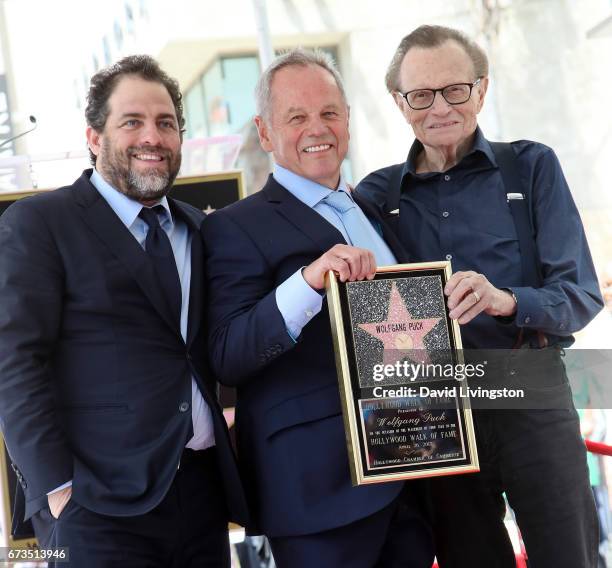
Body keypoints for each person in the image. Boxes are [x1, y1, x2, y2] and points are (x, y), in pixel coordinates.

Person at [356, 25, 604, 568]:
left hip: (530, 386)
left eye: (455, 89)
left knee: (571, 557)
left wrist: (507, 299)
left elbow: (581, 293)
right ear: (400, 104)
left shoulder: (532, 166)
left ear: (482, 89)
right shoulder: (374, 197)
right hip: (436, 408)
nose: (439, 106)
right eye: (421, 95)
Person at [0, 55, 248, 567]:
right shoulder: (41, 224)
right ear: (94, 137)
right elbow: (13, 362)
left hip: (201, 497)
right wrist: (57, 489)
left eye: (166, 123)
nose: (151, 137)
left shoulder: (200, 229)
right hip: (94, 508)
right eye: (131, 122)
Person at [202, 48, 434, 568]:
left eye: (329, 112)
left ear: (348, 120)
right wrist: (307, 283)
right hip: (317, 495)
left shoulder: (374, 210)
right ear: (265, 133)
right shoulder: (234, 225)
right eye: (297, 116)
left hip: (410, 475)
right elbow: (227, 354)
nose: (318, 128)